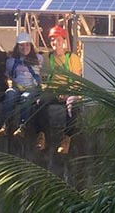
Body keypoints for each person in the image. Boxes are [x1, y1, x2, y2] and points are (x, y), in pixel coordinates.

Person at [0, 32, 48, 151]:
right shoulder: (11, 61)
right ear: (17, 47)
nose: (24, 48)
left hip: (32, 87)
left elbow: (43, 74)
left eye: (27, 45)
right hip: (17, 86)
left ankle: (22, 125)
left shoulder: (38, 59)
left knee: (27, 97)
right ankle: (6, 124)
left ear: (31, 46)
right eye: (21, 46)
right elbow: (9, 75)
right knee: (9, 95)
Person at [46, 25, 82, 154]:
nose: (56, 43)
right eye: (53, 40)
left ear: (64, 41)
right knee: (39, 102)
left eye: (59, 40)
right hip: (54, 92)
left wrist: (67, 92)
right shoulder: (47, 58)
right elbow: (44, 80)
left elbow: (77, 81)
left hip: (70, 91)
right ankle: (41, 135)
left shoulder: (73, 58)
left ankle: (67, 138)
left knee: (72, 104)